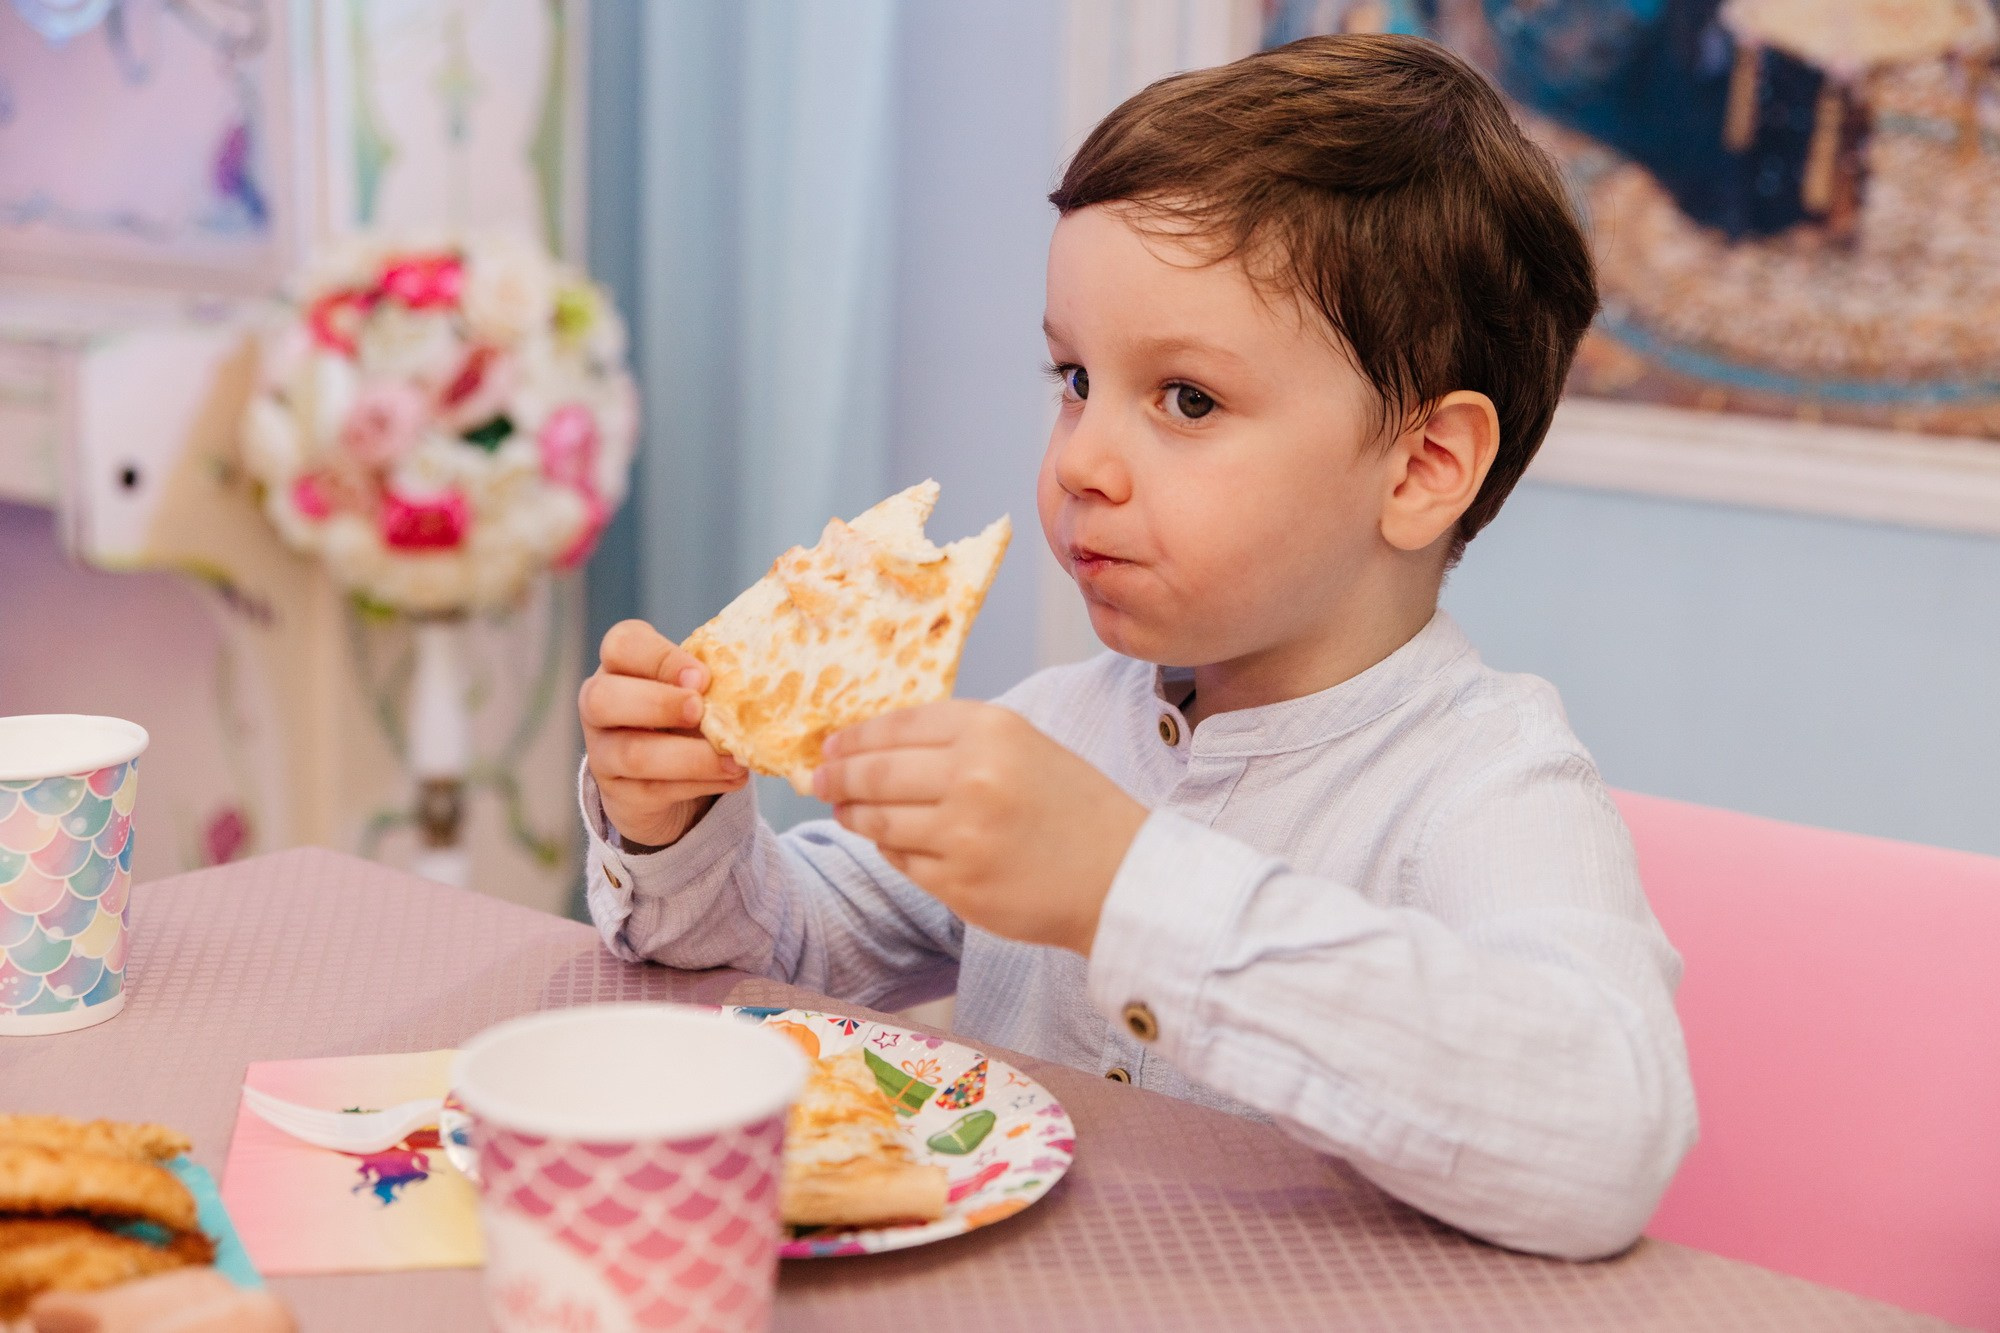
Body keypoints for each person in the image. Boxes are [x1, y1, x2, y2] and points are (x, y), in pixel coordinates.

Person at [575, 34, 1696, 1261]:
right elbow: (780, 954)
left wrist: (1125, 889)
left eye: (1187, 400)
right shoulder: (1061, 720)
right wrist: (674, 824)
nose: (1081, 463)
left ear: (1422, 466)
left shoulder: (1488, 785)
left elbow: (1603, 1140)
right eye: (1073, 377)